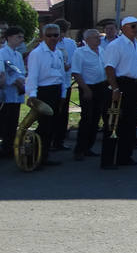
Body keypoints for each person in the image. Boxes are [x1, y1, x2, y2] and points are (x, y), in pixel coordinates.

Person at [102, 16, 137, 168]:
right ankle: (107, 160)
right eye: (133, 26)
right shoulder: (116, 45)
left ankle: (125, 157)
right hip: (121, 85)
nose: (136, 29)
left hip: (135, 86)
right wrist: (115, 88)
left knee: (131, 123)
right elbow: (109, 68)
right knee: (113, 122)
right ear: (124, 28)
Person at [25, 23, 67, 168]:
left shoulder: (58, 53)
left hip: (56, 90)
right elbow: (32, 76)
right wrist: (32, 95)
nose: (52, 38)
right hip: (44, 91)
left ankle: (44, 156)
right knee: (44, 127)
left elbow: (62, 75)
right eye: (49, 35)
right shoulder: (37, 53)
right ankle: (34, 158)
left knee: (52, 126)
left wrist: (63, 94)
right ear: (43, 37)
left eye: (56, 35)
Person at [70, 28, 107, 161]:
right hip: (88, 87)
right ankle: (79, 149)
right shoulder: (80, 53)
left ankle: (88, 147)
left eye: (99, 37)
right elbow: (76, 72)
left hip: (101, 86)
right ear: (87, 39)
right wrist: (85, 89)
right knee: (87, 118)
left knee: (96, 118)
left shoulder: (101, 50)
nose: (98, 39)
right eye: (95, 37)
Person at [0, 26, 27, 158]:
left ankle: (9, 146)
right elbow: (3, 73)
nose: (21, 40)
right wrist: (14, 81)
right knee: (5, 121)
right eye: (18, 37)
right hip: (6, 93)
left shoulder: (18, 54)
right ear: (9, 37)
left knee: (13, 121)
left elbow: (21, 71)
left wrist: (21, 80)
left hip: (17, 92)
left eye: (22, 37)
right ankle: (5, 147)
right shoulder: (2, 53)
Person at [50, 18, 76, 152]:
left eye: (63, 32)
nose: (60, 36)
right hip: (53, 83)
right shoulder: (49, 44)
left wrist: (69, 66)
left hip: (66, 83)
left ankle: (59, 140)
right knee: (52, 112)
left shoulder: (70, 43)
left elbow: (74, 59)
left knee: (63, 112)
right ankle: (49, 140)